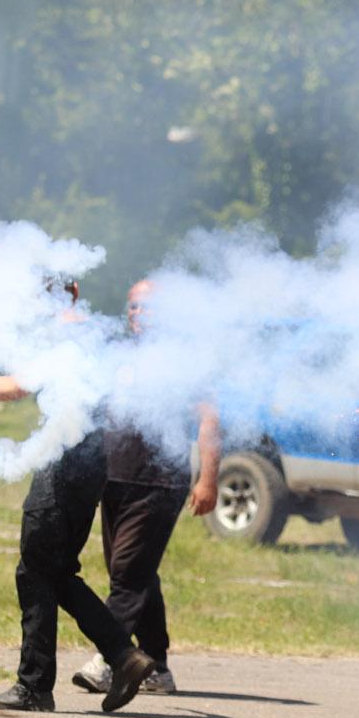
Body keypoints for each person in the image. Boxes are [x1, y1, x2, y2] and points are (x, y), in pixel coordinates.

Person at [0, 279, 155, 713]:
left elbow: (17, 386)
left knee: (35, 570)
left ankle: (34, 687)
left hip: (64, 463)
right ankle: (124, 656)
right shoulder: (100, 331)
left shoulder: (63, 334)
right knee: (57, 571)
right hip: (92, 463)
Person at [71, 279, 221, 696]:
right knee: (136, 573)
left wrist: (208, 478)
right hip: (115, 478)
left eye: (149, 308)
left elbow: (210, 420)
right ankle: (157, 665)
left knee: (128, 575)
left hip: (160, 481)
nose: (139, 315)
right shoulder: (119, 355)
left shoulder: (184, 360)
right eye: (133, 307)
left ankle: (111, 658)